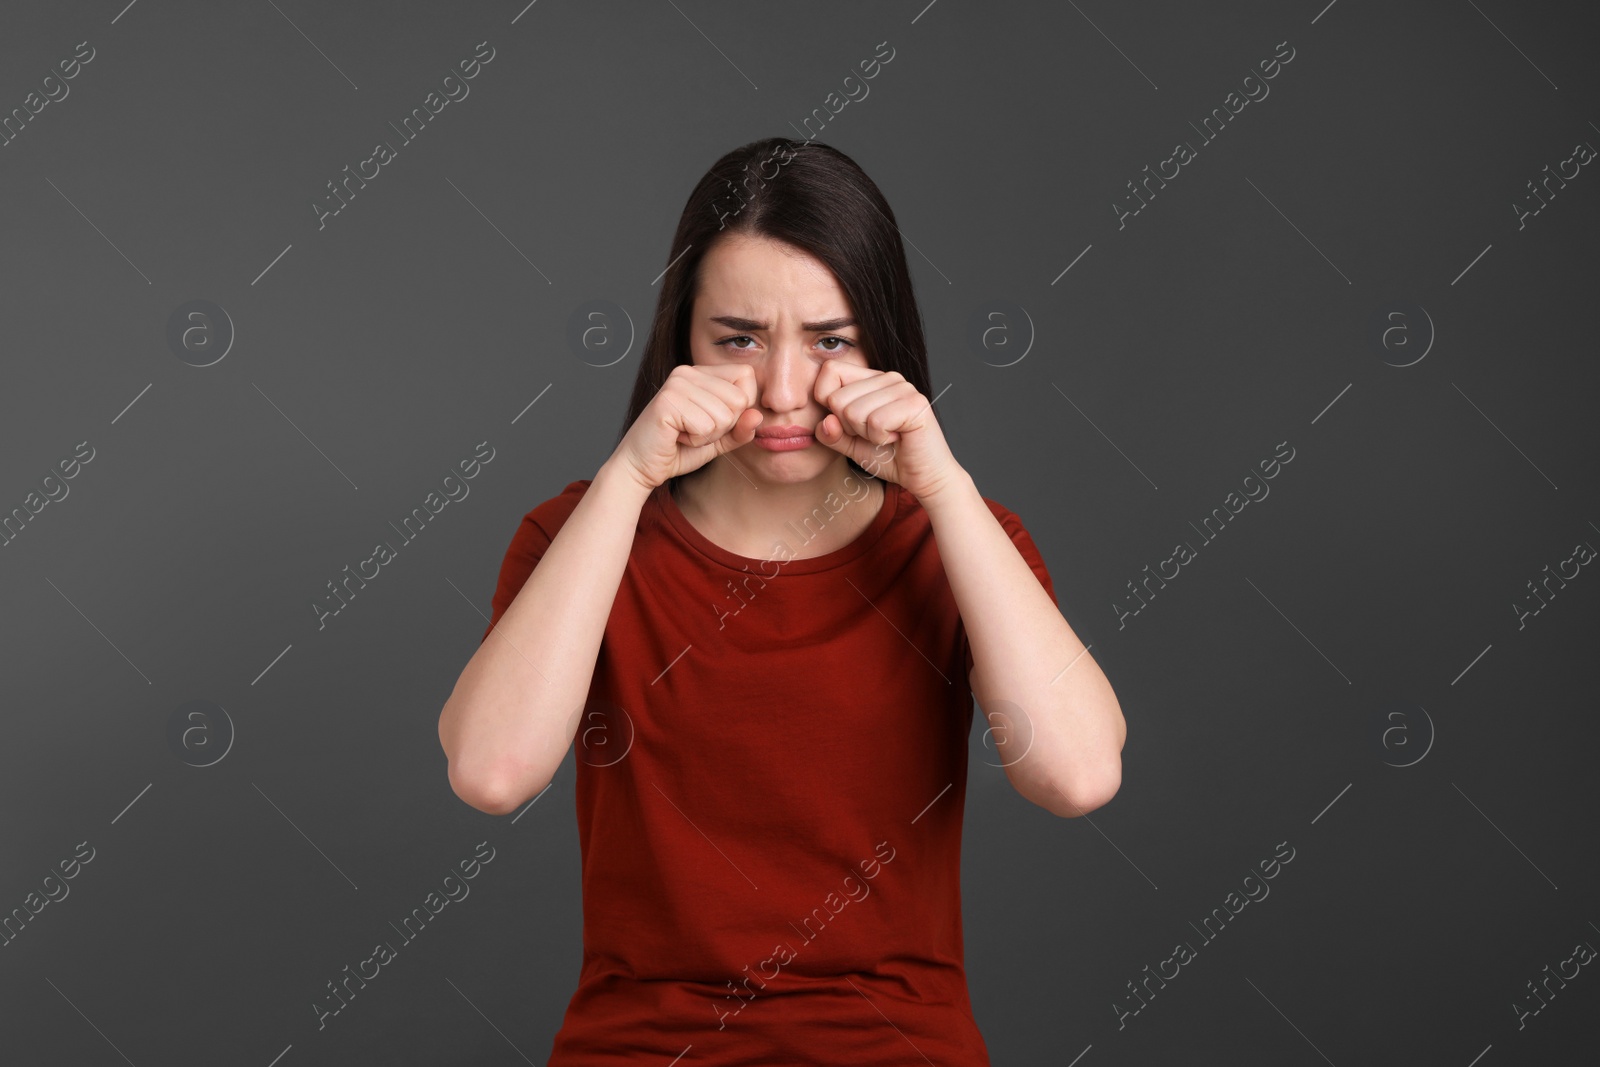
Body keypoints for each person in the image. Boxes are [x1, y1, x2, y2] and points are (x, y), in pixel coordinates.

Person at [437, 136, 1125, 1065]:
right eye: (740, 339)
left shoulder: (960, 540)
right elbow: (491, 772)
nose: (784, 391)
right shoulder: (583, 533)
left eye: (831, 340)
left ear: (883, 341)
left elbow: (1077, 777)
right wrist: (628, 475)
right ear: (684, 339)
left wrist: (946, 488)